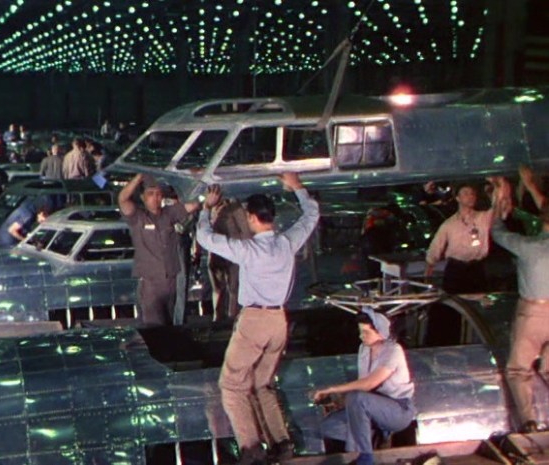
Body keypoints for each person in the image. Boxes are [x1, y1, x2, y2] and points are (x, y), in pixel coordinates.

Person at [196, 173, 319, 465]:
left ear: (251, 218)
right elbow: (311, 214)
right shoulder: (287, 243)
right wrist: (297, 187)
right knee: (262, 384)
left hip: (254, 322)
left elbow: (205, 237)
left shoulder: (248, 250)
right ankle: (281, 442)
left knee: (232, 386)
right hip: (279, 322)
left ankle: (251, 450)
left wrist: (205, 209)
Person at [313, 309, 415, 465]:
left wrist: (332, 389)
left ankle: (365, 458)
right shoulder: (364, 349)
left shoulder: (393, 350)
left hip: (398, 410)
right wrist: (338, 400)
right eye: (360, 332)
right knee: (328, 425)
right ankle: (368, 441)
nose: (361, 336)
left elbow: (368, 384)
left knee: (357, 399)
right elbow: (362, 386)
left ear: (380, 333)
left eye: (366, 332)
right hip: (372, 408)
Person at [491, 175, 549, 434]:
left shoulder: (528, 246)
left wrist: (499, 206)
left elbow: (498, 233)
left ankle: (529, 421)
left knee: (518, 369)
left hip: (532, 314)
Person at [119, 174, 200, 326]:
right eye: (150, 194)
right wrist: (138, 177)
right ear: (143, 197)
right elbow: (123, 199)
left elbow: (192, 205)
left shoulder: (169, 214)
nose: (155, 198)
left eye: (158, 194)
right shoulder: (138, 217)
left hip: (171, 282)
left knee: (168, 324)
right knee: (154, 325)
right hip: (151, 283)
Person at [425, 183, 493, 293]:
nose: (470, 196)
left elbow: (500, 209)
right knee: (454, 299)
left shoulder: (483, 218)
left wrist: (492, 193)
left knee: (478, 298)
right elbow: (436, 246)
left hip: (476, 268)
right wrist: (430, 266)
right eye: (466, 193)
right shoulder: (449, 224)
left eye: (472, 194)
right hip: (455, 269)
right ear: (458, 198)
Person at [208, 199, 252, 320]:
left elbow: (245, 232)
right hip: (217, 252)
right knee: (218, 287)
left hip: (233, 252)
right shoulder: (212, 208)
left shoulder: (235, 208)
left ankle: (232, 316)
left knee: (233, 287)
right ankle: (219, 316)